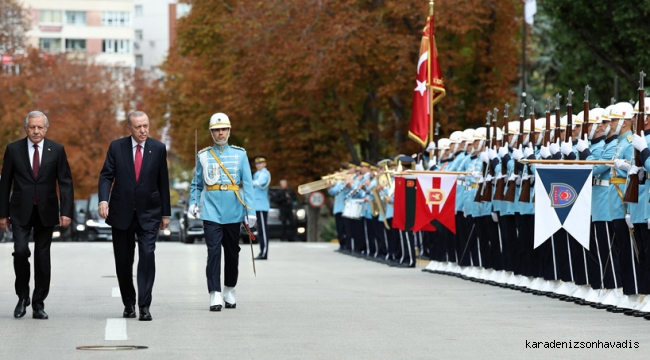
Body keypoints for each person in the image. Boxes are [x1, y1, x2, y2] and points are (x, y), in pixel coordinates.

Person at [0, 110, 74, 320]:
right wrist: (2, 214)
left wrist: (66, 211)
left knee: (43, 258)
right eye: (32, 127)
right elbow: (5, 183)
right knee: (21, 252)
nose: (36, 131)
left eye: (40, 127)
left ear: (46, 128)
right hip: (20, 210)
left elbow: (66, 182)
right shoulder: (13, 150)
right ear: (26, 128)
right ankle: (22, 297)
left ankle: (39, 303)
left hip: (47, 211)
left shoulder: (57, 150)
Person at [98, 111, 171, 321]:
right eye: (138, 127)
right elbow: (106, 176)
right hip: (121, 213)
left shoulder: (158, 148)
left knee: (147, 256)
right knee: (123, 261)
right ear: (129, 128)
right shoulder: (116, 147)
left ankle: (144, 305)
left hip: (149, 212)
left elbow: (163, 182)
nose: (143, 130)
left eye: (146, 126)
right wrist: (104, 200)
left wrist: (165, 213)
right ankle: (129, 303)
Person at [188, 113, 256, 311]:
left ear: (229, 131)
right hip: (211, 211)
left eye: (224, 129)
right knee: (214, 251)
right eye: (217, 130)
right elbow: (196, 184)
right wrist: (193, 202)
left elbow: (248, 184)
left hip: (234, 209)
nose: (220, 133)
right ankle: (214, 293)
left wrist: (249, 210)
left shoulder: (240, 154)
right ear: (211, 132)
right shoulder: (203, 155)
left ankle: (229, 288)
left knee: (232, 252)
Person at [252, 155, 271, 260]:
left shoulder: (265, 173)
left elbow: (260, 183)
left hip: (262, 205)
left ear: (265, 164)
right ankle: (261, 251)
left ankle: (264, 253)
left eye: (260, 163)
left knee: (263, 231)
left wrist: (248, 182)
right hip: (257, 206)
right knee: (260, 231)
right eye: (256, 163)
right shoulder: (257, 174)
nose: (258, 165)